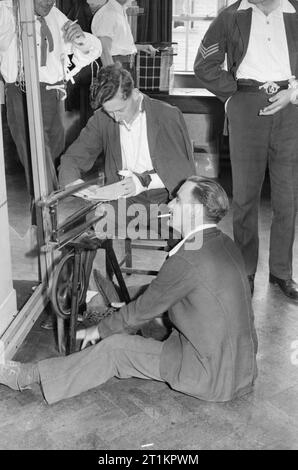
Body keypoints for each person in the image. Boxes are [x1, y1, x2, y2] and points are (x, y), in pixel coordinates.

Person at [0, 178, 258, 404]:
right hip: (240, 368)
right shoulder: (225, 244)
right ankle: (107, 305)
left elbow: (143, 310)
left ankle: (25, 376)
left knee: (115, 349)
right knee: (144, 298)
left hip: (209, 375)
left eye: (178, 201)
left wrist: (100, 330)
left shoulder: (187, 259)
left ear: (195, 212)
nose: (169, 206)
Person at [194, 0, 298, 299]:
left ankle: (281, 272)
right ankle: (246, 269)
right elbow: (204, 65)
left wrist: (293, 93)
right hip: (246, 103)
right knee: (245, 196)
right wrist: (235, 96)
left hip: (291, 106)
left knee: (287, 196)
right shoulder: (230, 17)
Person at [58, 62, 195, 238]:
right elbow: (73, 157)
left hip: (166, 199)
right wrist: (72, 183)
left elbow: (184, 174)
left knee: (190, 235)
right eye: (110, 112)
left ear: (135, 94)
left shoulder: (166, 116)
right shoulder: (102, 118)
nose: (115, 118)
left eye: (120, 110)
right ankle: (109, 266)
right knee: (81, 230)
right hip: (124, 202)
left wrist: (140, 182)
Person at [0, 0, 102, 198]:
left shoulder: (55, 15)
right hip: (23, 93)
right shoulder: (7, 13)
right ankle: (47, 215)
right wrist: (14, 8)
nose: (49, 2)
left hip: (54, 95)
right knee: (37, 161)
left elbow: (92, 50)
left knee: (53, 159)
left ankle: (45, 215)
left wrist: (80, 39)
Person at [87, 0, 157, 78]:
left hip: (123, 67)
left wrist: (143, 47)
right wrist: (114, 81)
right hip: (116, 67)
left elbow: (119, 46)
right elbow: (104, 51)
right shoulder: (108, 13)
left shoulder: (119, 10)